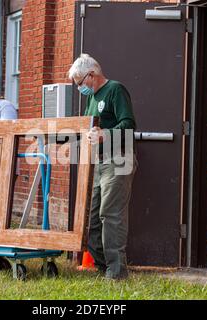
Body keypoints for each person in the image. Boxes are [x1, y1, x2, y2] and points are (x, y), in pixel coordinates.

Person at [68, 53, 137, 280]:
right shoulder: (93, 97)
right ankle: (101, 265)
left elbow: (128, 124)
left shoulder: (115, 90)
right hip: (99, 161)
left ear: (91, 74)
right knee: (94, 215)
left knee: (111, 213)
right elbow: (91, 130)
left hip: (118, 159)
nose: (80, 88)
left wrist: (105, 135)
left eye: (80, 83)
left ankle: (116, 272)